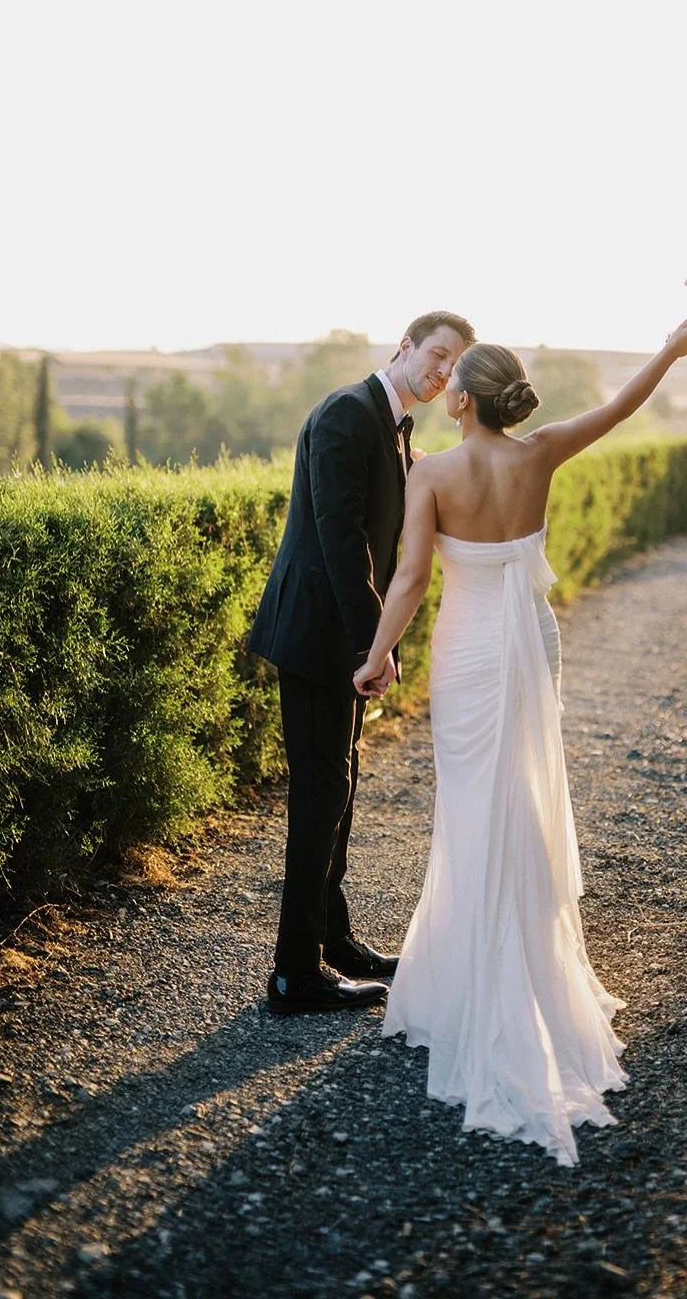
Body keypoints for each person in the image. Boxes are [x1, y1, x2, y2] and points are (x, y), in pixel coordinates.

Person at [353, 317, 687, 1163]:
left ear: (463, 401)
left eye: (452, 382)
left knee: (473, 805)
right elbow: (621, 408)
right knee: (520, 793)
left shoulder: (432, 474)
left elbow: (410, 579)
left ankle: (477, 978)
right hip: (532, 639)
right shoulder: (542, 452)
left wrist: (374, 658)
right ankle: (525, 966)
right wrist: (673, 348)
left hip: (472, 650)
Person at [249, 311, 475, 1015]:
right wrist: (369, 649)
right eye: (437, 354)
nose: (443, 372)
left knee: (338, 791)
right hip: (318, 637)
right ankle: (293, 974)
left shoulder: (393, 425)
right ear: (405, 346)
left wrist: (377, 644)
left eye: (454, 365)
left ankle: (334, 942)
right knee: (320, 797)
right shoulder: (348, 414)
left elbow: (382, 547)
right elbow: (342, 542)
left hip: (342, 637)